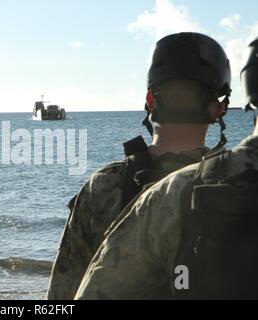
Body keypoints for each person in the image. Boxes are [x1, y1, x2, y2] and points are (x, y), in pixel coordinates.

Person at [47, 32, 232, 300]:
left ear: (150, 101)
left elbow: (62, 293)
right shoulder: (238, 183)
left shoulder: (104, 185)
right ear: (218, 109)